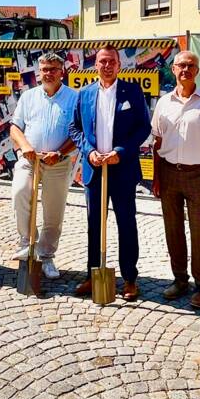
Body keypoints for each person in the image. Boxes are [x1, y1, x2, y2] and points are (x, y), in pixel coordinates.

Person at [69, 44, 152, 300]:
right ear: (96, 64)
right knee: (94, 224)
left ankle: (129, 278)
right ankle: (93, 274)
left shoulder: (132, 91)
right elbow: (75, 129)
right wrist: (89, 151)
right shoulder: (84, 94)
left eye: (111, 62)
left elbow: (143, 128)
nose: (107, 66)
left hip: (122, 169)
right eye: (102, 61)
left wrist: (120, 151)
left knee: (127, 224)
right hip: (94, 170)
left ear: (119, 65)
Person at [152, 51, 200, 309]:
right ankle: (179, 279)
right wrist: (156, 178)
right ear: (173, 69)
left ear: (197, 70)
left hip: (198, 175)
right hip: (168, 173)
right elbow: (157, 143)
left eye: (191, 65)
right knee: (172, 230)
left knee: (199, 232)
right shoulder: (163, 102)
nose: (186, 69)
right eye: (181, 65)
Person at [9, 52, 79, 279]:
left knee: (53, 210)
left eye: (53, 69)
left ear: (62, 72)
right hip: (30, 159)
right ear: (39, 72)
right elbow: (14, 128)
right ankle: (27, 241)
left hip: (58, 162)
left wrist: (59, 152)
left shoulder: (73, 98)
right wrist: (24, 147)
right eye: (44, 69)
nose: (48, 73)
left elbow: (79, 132)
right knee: (20, 192)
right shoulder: (28, 97)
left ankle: (47, 256)